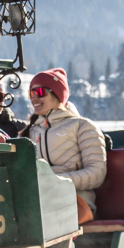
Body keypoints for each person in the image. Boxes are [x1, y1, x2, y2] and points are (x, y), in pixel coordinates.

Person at [22, 69, 106, 226]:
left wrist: (54, 181)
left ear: (57, 94)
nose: (34, 98)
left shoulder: (82, 126)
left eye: (39, 92)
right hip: (38, 199)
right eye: (31, 93)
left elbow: (96, 174)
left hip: (76, 201)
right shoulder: (30, 132)